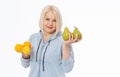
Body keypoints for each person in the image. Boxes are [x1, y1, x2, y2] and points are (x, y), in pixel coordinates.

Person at [20, 5, 81, 77]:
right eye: (47, 19)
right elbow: (25, 65)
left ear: (58, 22)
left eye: (54, 20)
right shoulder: (33, 38)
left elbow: (68, 69)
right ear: (42, 19)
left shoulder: (63, 41)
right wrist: (25, 55)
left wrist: (65, 46)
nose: (50, 24)